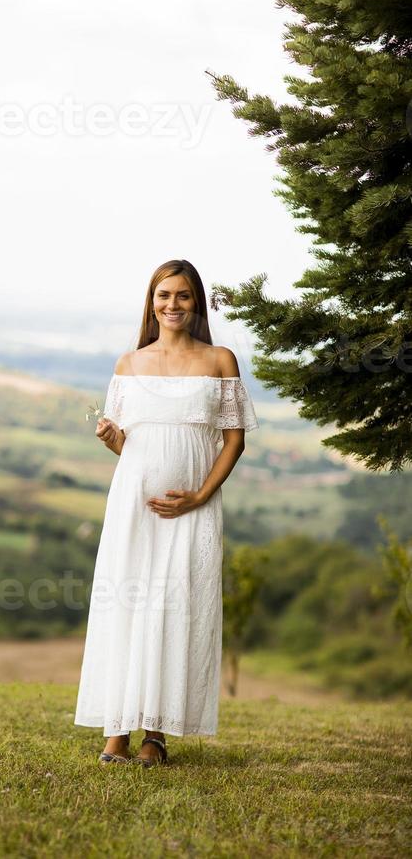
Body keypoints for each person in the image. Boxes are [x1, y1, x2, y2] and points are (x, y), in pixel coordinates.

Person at [74, 259, 259, 767]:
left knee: (176, 606)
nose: (172, 305)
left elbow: (235, 440)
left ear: (196, 301)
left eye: (182, 295)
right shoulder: (128, 365)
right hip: (133, 505)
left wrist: (200, 495)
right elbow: (128, 446)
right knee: (127, 604)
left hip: (192, 509)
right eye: (163, 295)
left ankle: (156, 735)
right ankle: (117, 730)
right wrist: (114, 441)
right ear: (150, 302)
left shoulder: (220, 359)